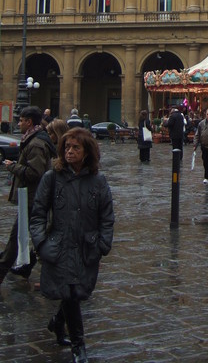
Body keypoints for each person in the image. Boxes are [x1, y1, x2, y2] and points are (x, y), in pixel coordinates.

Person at [30, 128, 114, 362]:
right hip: (59, 246)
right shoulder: (52, 178)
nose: (69, 151)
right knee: (70, 293)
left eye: (75, 147)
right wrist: (41, 243)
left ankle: (57, 323)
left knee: (74, 293)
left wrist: (103, 244)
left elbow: (107, 216)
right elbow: (37, 214)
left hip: (87, 247)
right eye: (66, 147)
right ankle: (79, 346)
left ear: (87, 152)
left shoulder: (98, 181)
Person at [0, 106, 55, 286]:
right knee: (34, 237)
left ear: (29, 122)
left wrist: (12, 167)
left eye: (21, 120)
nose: (19, 123)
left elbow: (35, 173)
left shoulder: (36, 143)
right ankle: (31, 267)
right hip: (32, 198)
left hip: (32, 199)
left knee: (17, 239)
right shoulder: (33, 140)